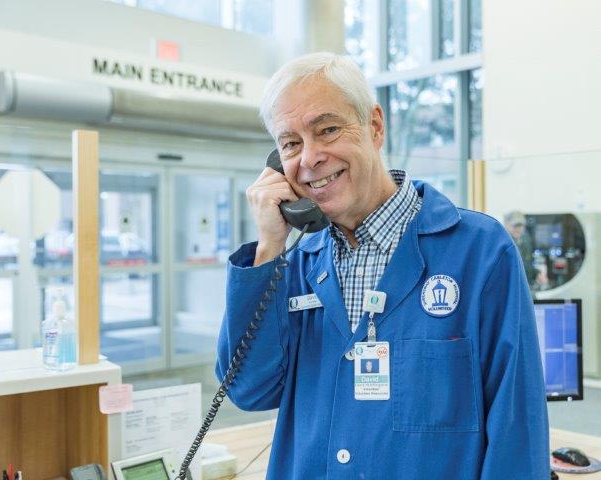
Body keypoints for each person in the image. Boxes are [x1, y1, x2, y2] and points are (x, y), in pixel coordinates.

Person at [216, 52, 549, 479]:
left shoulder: (480, 251)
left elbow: (517, 426)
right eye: (291, 143)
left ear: (375, 126)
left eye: (328, 129)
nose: (311, 157)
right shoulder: (294, 262)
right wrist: (269, 247)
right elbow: (248, 389)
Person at [504, 210, 548, 291]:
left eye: (521, 226)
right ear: (506, 225)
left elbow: (526, 265)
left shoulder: (525, 241)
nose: (519, 229)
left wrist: (537, 274)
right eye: (516, 226)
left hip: (525, 287)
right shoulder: (503, 245)